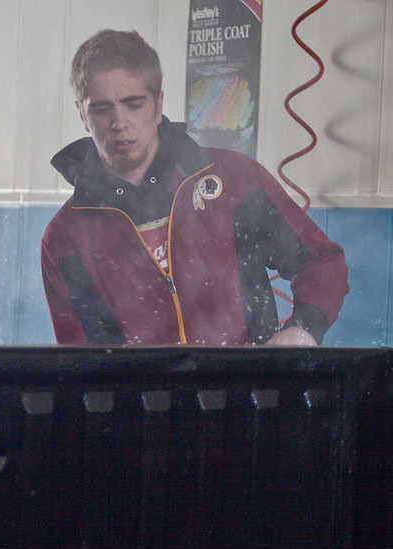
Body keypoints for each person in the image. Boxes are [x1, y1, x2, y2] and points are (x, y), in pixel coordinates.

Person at [41, 29, 347, 346]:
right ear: (82, 113)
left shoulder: (235, 181)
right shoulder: (65, 237)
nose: (119, 123)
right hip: (145, 395)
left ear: (158, 105)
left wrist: (302, 329)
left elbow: (322, 261)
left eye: (134, 104)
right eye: (101, 109)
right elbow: (83, 357)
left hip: (245, 389)